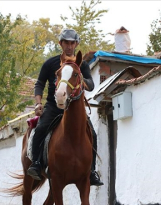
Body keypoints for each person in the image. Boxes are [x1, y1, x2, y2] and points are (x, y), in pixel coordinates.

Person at [26, 29, 104, 186]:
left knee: (93, 135)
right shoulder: (50, 63)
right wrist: (38, 103)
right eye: (66, 43)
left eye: (72, 43)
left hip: (75, 108)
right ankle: (37, 164)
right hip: (53, 106)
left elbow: (91, 84)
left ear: (76, 44)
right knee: (40, 129)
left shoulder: (82, 65)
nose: (69, 46)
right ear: (60, 44)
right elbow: (40, 83)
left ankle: (91, 171)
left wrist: (81, 79)